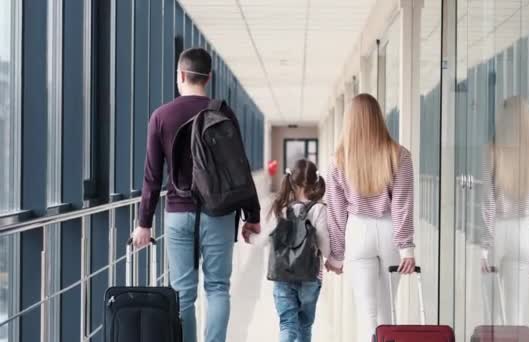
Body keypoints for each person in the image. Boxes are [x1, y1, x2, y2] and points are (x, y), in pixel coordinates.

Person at [131, 47, 262, 342]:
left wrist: (144, 223)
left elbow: (152, 176)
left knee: (182, 293)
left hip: (178, 214)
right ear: (209, 77)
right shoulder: (223, 112)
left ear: (180, 75)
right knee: (217, 287)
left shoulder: (161, 116)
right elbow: (239, 168)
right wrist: (252, 217)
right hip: (220, 212)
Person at [325, 93, 416, 342]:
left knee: (367, 313)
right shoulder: (400, 154)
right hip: (390, 232)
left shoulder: (338, 161)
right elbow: (401, 204)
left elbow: (336, 211)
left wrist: (336, 255)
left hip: (358, 231)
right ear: (379, 118)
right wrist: (406, 247)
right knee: (389, 311)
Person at [480, 95, 529, 326]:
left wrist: (485, 243)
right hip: (524, 232)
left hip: (497, 230)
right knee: (517, 313)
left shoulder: (491, 153)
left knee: (490, 313)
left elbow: (487, 201)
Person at [244, 159, 330, 342]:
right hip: (310, 277)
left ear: (291, 182)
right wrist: (333, 260)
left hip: (283, 276)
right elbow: (324, 245)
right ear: (315, 183)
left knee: (287, 326)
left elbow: (264, 240)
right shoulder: (319, 210)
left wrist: (249, 237)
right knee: (305, 328)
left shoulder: (280, 208)